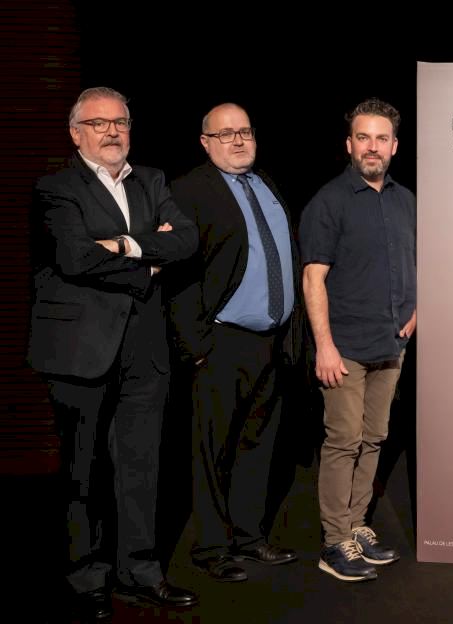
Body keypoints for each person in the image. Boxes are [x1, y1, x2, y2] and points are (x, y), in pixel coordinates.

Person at [27, 87, 199, 620]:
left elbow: (187, 239)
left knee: (141, 467)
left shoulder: (151, 180)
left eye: (119, 122)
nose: (111, 132)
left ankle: (140, 571)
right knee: (84, 469)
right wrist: (149, 258)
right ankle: (86, 577)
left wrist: (124, 244)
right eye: (98, 123)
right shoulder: (55, 186)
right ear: (75, 133)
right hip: (81, 348)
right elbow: (74, 258)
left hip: (144, 348)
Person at [169, 104, 300, 582]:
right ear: (205, 143)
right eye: (225, 134)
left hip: (271, 342)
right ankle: (211, 547)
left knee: (257, 445)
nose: (238, 141)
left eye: (244, 131)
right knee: (212, 451)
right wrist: (197, 345)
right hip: (221, 342)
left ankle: (249, 537)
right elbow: (179, 277)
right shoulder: (188, 191)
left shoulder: (265, 183)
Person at [300, 98, 416, 582]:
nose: (372, 146)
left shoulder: (406, 200)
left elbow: (416, 261)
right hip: (344, 348)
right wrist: (324, 346)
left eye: (381, 138)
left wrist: (417, 310)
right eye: (363, 137)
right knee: (344, 441)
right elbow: (313, 278)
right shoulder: (329, 202)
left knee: (374, 438)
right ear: (348, 144)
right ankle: (334, 542)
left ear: (394, 146)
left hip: (391, 344)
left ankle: (355, 524)